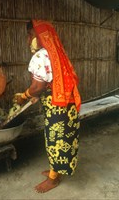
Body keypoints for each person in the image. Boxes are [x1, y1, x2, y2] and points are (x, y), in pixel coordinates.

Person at [14, 20, 82, 193]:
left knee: (56, 141)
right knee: (64, 139)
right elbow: (51, 81)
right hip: (67, 104)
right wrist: (37, 94)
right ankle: (55, 170)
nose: (28, 40)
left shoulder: (40, 56)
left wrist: (24, 96)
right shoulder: (56, 53)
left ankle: (53, 179)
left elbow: (38, 86)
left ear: (39, 37)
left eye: (30, 35)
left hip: (58, 106)